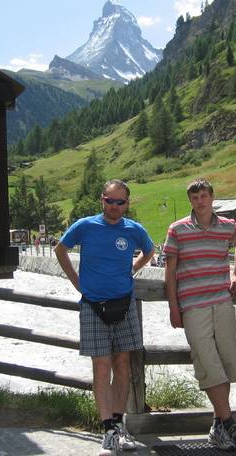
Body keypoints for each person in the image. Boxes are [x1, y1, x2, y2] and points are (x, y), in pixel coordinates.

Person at [55, 179, 154, 456]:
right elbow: (60, 249)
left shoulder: (134, 230)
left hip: (124, 304)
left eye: (120, 202)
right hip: (92, 305)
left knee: (122, 365)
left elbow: (150, 251)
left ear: (127, 203)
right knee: (101, 368)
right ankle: (108, 431)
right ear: (102, 200)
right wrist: (77, 282)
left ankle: (119, 426)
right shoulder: (85, 226)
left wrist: (132, 268)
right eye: (109, 200)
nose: (114, 206)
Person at [163, 178, 236, 452]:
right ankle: (230, 424)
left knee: (226, 362)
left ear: (212, 197)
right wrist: (173, 307)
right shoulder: (177, 229)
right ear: (190, 201)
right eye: (195, 197)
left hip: (222, 303)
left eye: (203, 196)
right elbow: (170, 271)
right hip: (193, 306)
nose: (199, 201)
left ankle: (218, 428)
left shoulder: (228, 226)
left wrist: (235, 274)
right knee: (208, 362)